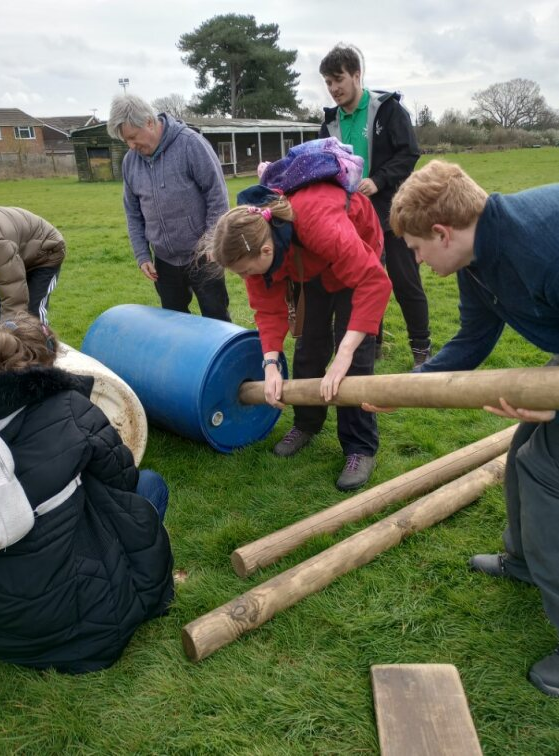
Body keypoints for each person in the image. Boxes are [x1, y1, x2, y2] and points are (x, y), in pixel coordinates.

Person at [383, 159, 559, 697]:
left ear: (443, 232)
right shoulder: (476, 261)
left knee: (545, 474)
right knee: (523, 445)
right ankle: (525, 560)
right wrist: (408, 387)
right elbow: (472, 341)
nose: (414, 259)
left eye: (415, 248)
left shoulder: (540, 245)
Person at [0, 315, 174, 674]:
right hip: (85, 621)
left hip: (5, 630)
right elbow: (123, 477)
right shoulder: (68, 408)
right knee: (150, 485)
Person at [208, 181, 392, 491]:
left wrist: (345, 351)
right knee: (308, 350)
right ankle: (306, 424)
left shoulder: (320, 225)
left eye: (245, 272)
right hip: (311, 268)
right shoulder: (255, 248)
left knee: (354, 365)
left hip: (359, 262)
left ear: (267, 250)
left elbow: (375, 281)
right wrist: (269, 364)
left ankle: (359, 447)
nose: (244, 278)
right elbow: (267, 310)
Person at [319, 44, 431, 367]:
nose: (334, 88)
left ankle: (421, 350)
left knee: (405, 281)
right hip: (352, 220)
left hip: (392, 215)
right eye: (328, 82)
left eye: (338, 79)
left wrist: (379, 180)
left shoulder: (388, 110)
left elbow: (409, 153)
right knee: (363, 280)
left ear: (357, 75)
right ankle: (372, 343)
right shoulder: (329, 123)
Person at [107, 94, 231, 321]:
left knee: (216, 318)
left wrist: (214, 240)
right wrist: (142, 254)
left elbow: (217, 195)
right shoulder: (130, 162)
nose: (131, 146)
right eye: (126, 141)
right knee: (174, 323)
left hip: (203, 255)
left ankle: (226, 357)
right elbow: (133, 212)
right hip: (164, 261)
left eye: (133, 137)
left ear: (149, 122)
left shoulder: (190, 144)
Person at [0, 206, 65, 326]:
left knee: (31, 316)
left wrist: (11, 330)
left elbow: (12, 291)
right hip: (19, 251)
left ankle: (40, 342)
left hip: (45, 251)